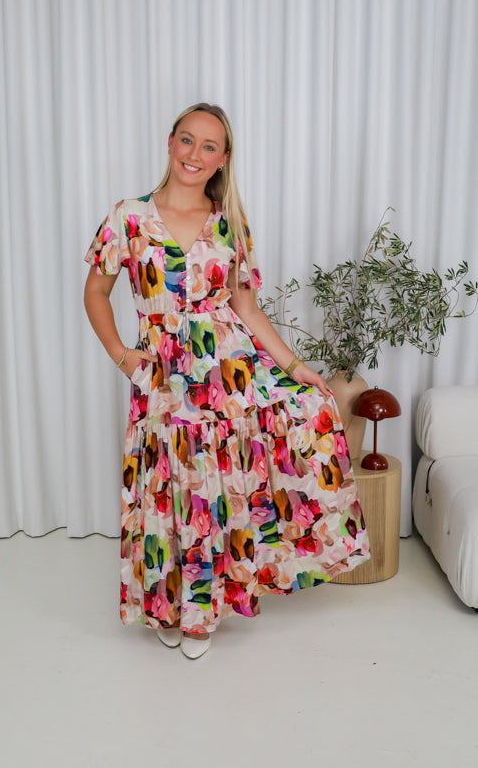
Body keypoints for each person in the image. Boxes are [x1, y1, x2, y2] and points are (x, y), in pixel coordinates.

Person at [83, 102, 370, 659]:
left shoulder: (230, 222)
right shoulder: (128, 217)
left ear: (223, 159)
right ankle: (164, 604)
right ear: (170, 143)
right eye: (187, 140)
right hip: (163, 379)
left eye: (208, 146)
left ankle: (201, 613)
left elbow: (248, 308)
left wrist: (295, 368)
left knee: (214, 492)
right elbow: (95, 291)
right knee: (166, 490)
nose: (194, 154)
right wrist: (122, 355)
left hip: (227, 376)